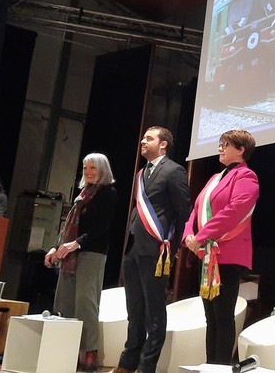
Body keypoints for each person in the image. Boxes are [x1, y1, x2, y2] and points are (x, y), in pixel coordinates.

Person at [113, 127, 191, 373]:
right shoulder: (141, 173)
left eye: (149, 138)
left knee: (154, 314)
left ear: (163, 144)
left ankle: (147, 367)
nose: (143, 142)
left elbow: (184, 212)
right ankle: (128, 363)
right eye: (143, 138)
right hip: (133, 248)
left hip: (157, 250)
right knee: (134, 310)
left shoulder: (174, 171)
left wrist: (172, 248)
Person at [183, 129, 259, 365]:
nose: (219, 148)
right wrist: (189, 235)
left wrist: (202, 236)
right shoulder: (215, 178)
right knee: (210, 317)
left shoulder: (246, 176)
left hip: (227, 254)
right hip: (206, 254)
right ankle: (210, 365)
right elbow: (195, 210)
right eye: (220, 143)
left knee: (223, 315)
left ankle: (221, 366)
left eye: (225, 144)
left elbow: (234, 211)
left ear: (241, 150)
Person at [45, 152, 118, 372]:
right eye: (85, 168)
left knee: (86, 302)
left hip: (91, 252)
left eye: (92, 168)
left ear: (102, 170)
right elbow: (67, 227)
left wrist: (76, 244)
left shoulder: (108, 193)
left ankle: (90, 352)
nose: (88, 172)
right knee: (64, 300)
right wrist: (55, 247)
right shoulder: (82, 193)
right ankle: (66, 348)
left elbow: (101, 226)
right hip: (70, 253)